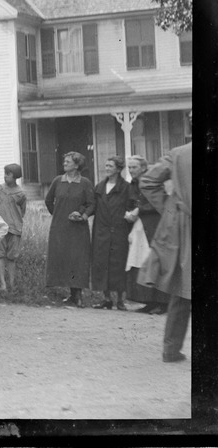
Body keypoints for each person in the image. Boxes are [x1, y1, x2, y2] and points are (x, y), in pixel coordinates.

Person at [137, 142, 192, 363]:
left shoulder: (179, 153)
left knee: (183, 286)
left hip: (183, 224)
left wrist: (170, 209)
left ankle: (171, 349)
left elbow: (149, 180)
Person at [45, 151, 96, 307]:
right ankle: (70, 294)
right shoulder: (57, 181)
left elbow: (92, 204)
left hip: (78, 229)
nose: (65, 163)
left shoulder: (85, 183)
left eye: (68, 161)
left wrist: (83, 215)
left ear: (77, 165)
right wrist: (58, 214)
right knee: (64, 258)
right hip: (59, 228)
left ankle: (78, 294)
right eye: (64, 161)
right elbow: (48, 200)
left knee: (78, 260)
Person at [91, 156, 138, 311]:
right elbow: (92, 206)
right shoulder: (99, 187)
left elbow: (133, 206)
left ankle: (120, 300)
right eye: (106, 165)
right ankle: (106, 299)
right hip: (101, 231)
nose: (107, 168)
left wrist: (129, 218)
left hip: (120, 231)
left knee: (118, 264)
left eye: (110, 166)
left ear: (118, 169)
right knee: (102, 263)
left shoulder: (126, 187)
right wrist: (82, 214)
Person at [125, 155, 170, 314]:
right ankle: (148, 301)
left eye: (134, 167)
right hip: (140, 227)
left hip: (154, 226)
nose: (131, 170)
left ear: (144, 168)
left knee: (155, 262)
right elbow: (133, 202)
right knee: (142, 262)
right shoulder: (133, 184)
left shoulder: (152, 183)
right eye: (129, 167)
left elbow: (159, 202)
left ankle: (162, 303)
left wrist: (139, 210)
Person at [0, 163, 28, 294]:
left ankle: (11, 283)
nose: (5, 176)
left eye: (8, 174)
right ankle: (3, 284)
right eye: (5, 173)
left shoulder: (21, 193)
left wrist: (15, 221)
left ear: (16, 176)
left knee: (11, 256)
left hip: (14, 228)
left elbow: (22, 211)